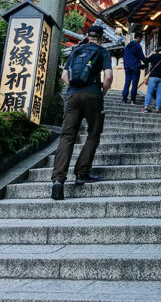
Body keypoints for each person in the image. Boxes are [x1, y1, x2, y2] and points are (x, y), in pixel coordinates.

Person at [51, 24, 113, 201]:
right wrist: (103, 93)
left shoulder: (76, 51)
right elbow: (108, 77)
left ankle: (58, 180)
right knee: (93, 133)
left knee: (67, 136)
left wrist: (73, 90)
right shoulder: (102, 52)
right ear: (101, 37)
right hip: (93, 94)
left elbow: (64, 76)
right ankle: (82, 173)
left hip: (72, 96)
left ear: (87, 36)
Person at [143, 45, 161, 114]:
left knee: (149, 93)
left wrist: (151, 55)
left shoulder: (153, 56)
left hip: (153, 77)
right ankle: (157, 109)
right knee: (159, 94)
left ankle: (146, 107)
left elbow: (145, 60)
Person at [122, 32, 146, 104]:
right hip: (135, 67)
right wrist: (147, 62)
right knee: (134, 84)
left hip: (127, 67)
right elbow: (142, 58)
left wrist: (125, 66)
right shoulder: (137, 46)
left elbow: (125, 57)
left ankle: (124, 100)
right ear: (138, 38)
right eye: (141, 39)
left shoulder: (127, 47)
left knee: (127, 83)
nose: (141, 40)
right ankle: (132, 100)